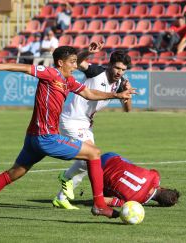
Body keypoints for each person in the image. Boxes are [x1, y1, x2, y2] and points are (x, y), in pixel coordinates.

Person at [0, 46, 136, 220]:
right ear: (61, 63)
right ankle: (99, 205)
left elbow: (90, 93)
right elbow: (24, 68)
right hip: (45, 138)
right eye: (72, 62)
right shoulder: (50, 73)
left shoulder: (69, 81)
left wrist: (117, 95)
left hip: (33, 138)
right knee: (94, 153)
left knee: (14, 173)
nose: (75, 66)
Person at [52, 42, 133, 209]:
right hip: (71, 119)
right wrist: (87, 52)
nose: (120, 72)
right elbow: (78, 63)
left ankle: (61, 198)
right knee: (87, 159)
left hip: (86, 125)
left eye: (123, 70)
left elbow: (127, 110)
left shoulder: (121, 82)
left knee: (89, 161)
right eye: (117, 68)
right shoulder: (97, 72)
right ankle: (65, 177)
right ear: (110, 65)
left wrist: (128, 93)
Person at [57, 152, 180, 208]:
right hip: (98, 173)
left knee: (131, 166)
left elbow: (155, 173)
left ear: (162, 188)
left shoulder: (155, 177)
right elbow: (103, 200)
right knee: (114, 195)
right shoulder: (134, 203)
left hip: (111, 156)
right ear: (158, 203)